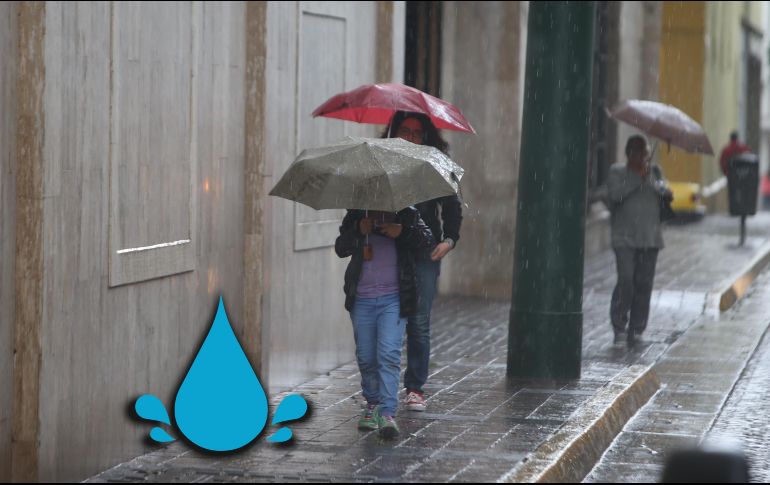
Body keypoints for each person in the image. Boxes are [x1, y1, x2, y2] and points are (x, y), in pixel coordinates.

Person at [383, 111, 463, 412]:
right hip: (387, 248)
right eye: (404, 130)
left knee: (418, 322)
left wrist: (449, 240)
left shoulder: (437, 164)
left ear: (426, 136)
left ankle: (415, 386)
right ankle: (379, 386)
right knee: (387, 319)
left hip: (424, 252)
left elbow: (452, 207)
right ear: (394, 131)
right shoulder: (383, 162)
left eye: (417, 133)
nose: (410, 137)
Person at [335, 207, 435, 438]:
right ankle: (372, 403)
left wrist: (402, 231)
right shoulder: (357, 214)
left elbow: (426, 242)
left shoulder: (407, 214)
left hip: (394, 299)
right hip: (362, 299)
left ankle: (387, 413)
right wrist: (359, 231)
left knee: (389, 354)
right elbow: (341, 248)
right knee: (366, 356)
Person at [606, 135, 673, 346]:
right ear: (628, 154)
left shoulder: (655, 172)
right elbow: (615, 195)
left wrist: (656, 184)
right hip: (624, 237)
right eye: (637, 152)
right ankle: (619, 324)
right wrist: (638, 179)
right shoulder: (617, 172)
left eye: (644, 152)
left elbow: (666, 192)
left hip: (650, 237)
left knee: (644, 284)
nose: (642, 157)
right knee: (626, 280)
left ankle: (637, 327)